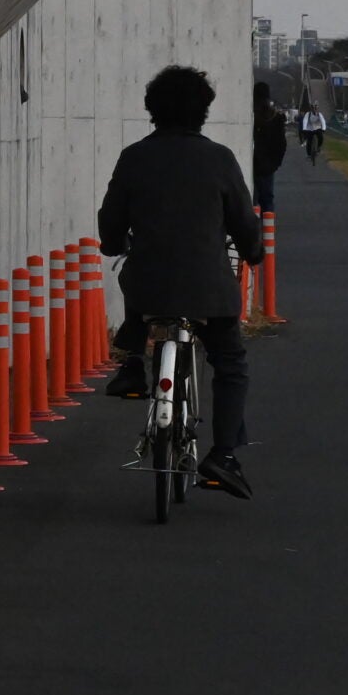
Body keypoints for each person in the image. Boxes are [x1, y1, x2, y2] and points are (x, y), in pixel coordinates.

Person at [98, 65, 263, 497]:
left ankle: (132, 365)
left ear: (152, 109)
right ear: (203, 111)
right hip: (209, 286)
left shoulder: (135, 156)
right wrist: (253, 251)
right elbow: (244, 222)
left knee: (138, 275)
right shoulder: (219, 158)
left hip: (148, 281)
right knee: (230, 363)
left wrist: (113, 242)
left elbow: (110, 221)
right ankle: (223, 455)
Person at [251, 81, 287, 215]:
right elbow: (281, 144)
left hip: (252, 164)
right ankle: (267, 230)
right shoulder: (275, 118)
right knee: (267, 201)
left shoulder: (250, 116)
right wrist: (275, 164)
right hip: (267, 166)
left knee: (251, 200)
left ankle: (252, 231)